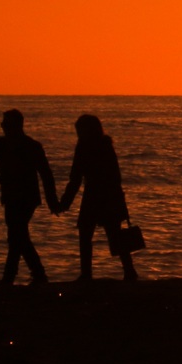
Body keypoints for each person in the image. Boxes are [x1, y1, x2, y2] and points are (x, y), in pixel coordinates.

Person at [0, 108, 57, 286]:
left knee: (17, 234)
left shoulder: (31, 146)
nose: (3, 127)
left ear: (16, 125)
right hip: (11, 196)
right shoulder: (1, 144)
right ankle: (33, 275)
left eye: (5, 124)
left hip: (27, 197)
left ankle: (20, 276)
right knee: (17, 236)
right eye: (2, 124)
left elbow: (46, 174)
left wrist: (52, 200)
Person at [58, 113, 139, 283]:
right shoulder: (106, 145)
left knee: (87, 234)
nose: (78, 133)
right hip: (110, 194)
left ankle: (87, 274)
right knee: (114, 234)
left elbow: (75, 178)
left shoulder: (84, 147)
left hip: (95, 195)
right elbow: (116, 175)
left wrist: (65, 202)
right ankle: (129, 271)